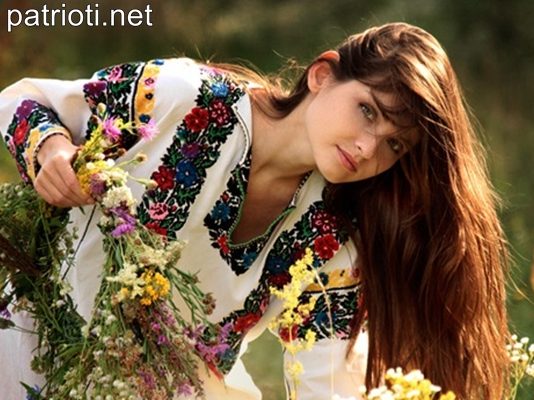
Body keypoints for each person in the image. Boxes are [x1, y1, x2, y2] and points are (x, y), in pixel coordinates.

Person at [0, 22, 509, 399]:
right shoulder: (188, 98)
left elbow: (326, 386)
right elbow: (22, 101)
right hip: (23, 342)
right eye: (367, 110)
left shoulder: (330, 240)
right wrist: (53, 151)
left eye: (395, 145)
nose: (367, 147)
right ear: (322, 74)